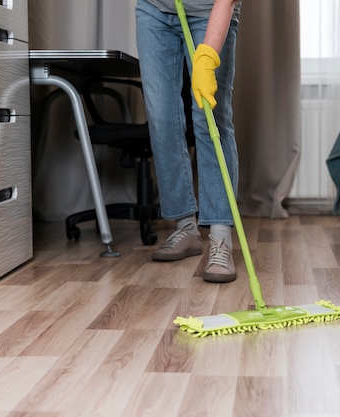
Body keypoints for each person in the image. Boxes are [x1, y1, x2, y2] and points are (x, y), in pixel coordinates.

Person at [135, 0, 241, 282]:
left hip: (210, 10)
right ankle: (185, 227)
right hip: (155, 8)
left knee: (210, 116)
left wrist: (207, 58)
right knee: (162, 118)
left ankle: (220, 237)